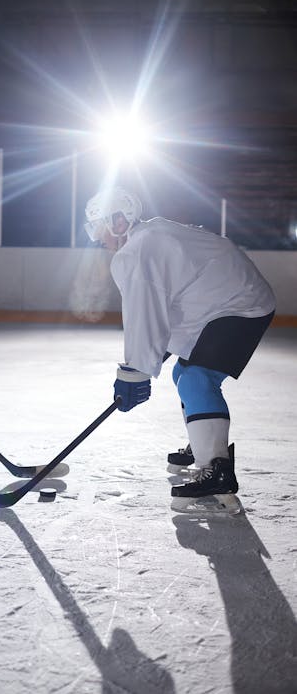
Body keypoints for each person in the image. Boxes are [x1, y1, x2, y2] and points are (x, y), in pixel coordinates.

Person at [84, 187, 276, 512]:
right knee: (184, 373)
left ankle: (216, 469)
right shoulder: (150, 236)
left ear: (118, 221)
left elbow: (144, 315)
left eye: (99, 226)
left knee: (196, 377)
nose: (97, 237)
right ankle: (206, 442)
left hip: (237, 305)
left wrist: (134, 373)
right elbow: (163, 308)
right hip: (228, 300)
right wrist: (149, 358)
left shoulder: (137, 251)